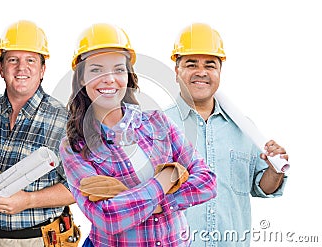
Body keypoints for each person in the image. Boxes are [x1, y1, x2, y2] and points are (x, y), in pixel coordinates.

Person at [59, 23, 217, 247]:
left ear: (128, 75)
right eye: (96, 70)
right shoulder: (74, 146)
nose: (109, 79)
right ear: (82, 78)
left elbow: (207, 181)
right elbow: (109, 219)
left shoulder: (158, 123)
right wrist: (166, 179)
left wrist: (146, 200)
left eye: (118, 69)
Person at [165, 22, 289, 247]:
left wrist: (274, 170)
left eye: (210, 65)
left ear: (219, 72)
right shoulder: (158, 128)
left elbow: (263, 186)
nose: (201, 72)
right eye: (191, 64)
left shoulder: (244, 129)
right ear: (176, 71)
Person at [0, 20, 74, 246]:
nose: (21, 68)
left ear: (42, 70)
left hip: (36, 239)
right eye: (13, 60)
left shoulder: (63, 120)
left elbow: (80, 186)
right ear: (1, 68)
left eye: (30, 60)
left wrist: (28, 200)